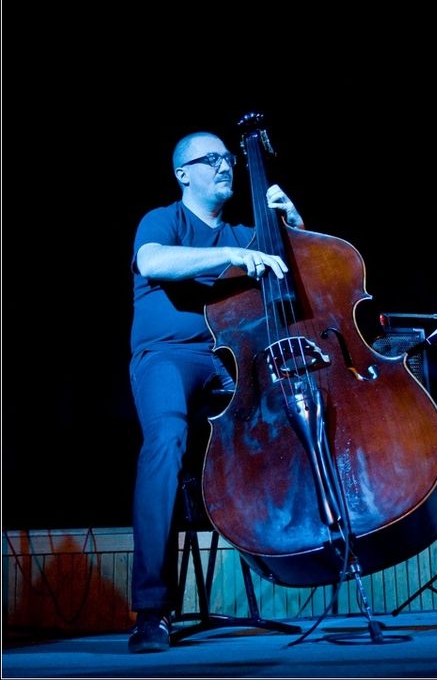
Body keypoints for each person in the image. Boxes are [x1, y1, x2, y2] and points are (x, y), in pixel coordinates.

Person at [128, 130, 304, 653]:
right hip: (168, 355)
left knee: (293, 413)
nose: (225, 165)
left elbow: (301, 270)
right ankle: (152, 609)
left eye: (228, 158)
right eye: (212, 159)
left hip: (231, 356)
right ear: (183, 173)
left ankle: (309, 558)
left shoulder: (246, 232)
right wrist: (228, 254)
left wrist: (292, 225)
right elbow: (152, 261)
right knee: (165, 442)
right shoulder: (163, 220)